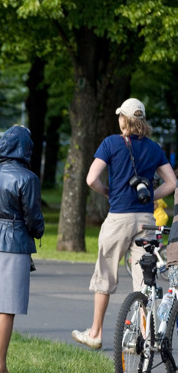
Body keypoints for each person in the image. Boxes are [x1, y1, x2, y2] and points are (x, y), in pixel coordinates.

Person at [72, 98, 176, 349]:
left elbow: (90, 179)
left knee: (105, 275)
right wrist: (151, 196)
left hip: (118, 218)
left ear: (123, 119)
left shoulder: (111, 143)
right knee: (144, 281)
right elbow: (172, 183)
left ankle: (95, 333)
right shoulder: (153, 148)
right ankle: (144, 337)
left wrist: (107, 191)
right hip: (145, 221)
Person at [0, 126, 44, 373]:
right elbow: (33, 217)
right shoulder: (28, 178)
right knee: (7, 308)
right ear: (25, 148)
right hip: (13, 243)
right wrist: (38, 231)